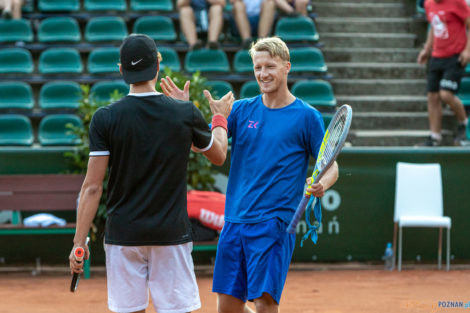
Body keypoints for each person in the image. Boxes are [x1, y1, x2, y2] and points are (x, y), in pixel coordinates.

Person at [162, 36, 339, 313]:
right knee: (228, 308)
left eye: (270, 66)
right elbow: (202, 146)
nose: (263, 74)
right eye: (258, 68)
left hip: (274, 223)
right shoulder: (241, 110)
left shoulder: (307, 117)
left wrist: (321, 184)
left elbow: (331, 166)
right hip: (234, 221)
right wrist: (184, 113)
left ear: (287, 67)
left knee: (264, 306)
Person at [69, 33, 234, 313]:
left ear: (121, 71)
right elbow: (218, 154)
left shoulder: (105, 118)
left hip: (123, 236)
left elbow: (92, 187)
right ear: (158, 66)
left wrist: (78, 243)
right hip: (171, 235)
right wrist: (218, 118)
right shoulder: (184, 113)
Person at [417, 0, 470, 146]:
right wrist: (427, 50)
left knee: (445, 94)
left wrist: (467, 50)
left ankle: (464, 124)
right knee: (432, 96)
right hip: (436, 56)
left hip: (455, 57)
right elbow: (433, 27)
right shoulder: (429, 4)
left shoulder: (457, 2)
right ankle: (435, 137)